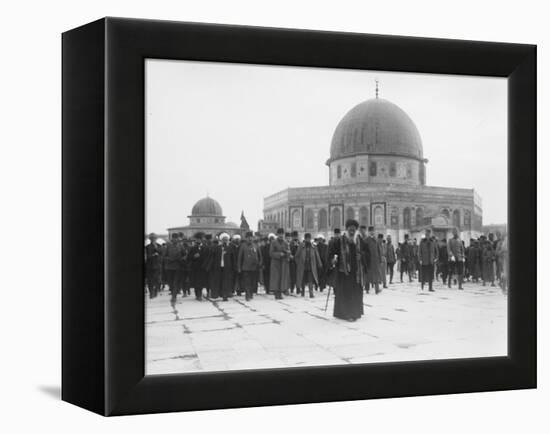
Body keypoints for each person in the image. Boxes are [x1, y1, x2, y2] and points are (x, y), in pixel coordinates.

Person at [329, 219, 366, 321]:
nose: (352, 232)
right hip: (344, 273)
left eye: (354, 230)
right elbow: (332, 253)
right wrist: (333, 259)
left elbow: (366, 252)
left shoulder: (359, 240)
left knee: (355, 294)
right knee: (345, 294)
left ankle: (355, 313)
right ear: (346, 229)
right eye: (350, 230)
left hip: (356, 273)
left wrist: (362, 256)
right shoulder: (340, 241)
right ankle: (345, 314)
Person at [295, 233, 323, 298]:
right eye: (307, 238)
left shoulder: (313, 246)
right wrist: (298, 264)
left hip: (311, 266)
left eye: (309, 238)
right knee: (303, 279)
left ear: (310, 239)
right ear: (305, 239)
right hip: (303, 266)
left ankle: (311, 293)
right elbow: (296, 256)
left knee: (310, 279)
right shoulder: (301, 246)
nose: (308, 240)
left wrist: (319, 263)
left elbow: (317, 256)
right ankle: (303, 292)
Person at [237, 231, 262, 301]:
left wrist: (260, 263)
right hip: (246, 267)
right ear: (246, 238)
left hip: (254, 268)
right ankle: (247, 294)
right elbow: (240, 257)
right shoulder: (243, 246)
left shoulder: (256, 245)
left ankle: (250, 293)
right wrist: (239, 267)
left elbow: (260, 256)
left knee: (253, 282)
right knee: (247, 282)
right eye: (248, 238)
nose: (250, 239)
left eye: (251, 237)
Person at [163, 233, 184, 307]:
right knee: (170, 283)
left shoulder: (180, 246)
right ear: (172, 239)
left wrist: (182, 258)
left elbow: (184, 254)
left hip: (177, 267)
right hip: (169, 267)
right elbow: (164, 256)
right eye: (174, 238)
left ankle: (174, 297)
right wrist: (169, 259)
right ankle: (173, 292)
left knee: (175, 282)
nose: (176, 239)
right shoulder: (168, 246)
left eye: (177, 238)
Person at [269, 228, 291, 299]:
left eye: (282, 234)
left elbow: (288, 251)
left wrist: (287, 253)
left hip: (283, 263)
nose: (281, 235)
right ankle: (276, 293)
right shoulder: (274, 242)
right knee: (276, 279)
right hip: (276, 263)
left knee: (282, 278)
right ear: (277, 234)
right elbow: (271, 253)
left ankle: (280, 293)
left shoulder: (285, 243)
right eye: (280, 234)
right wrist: (279, 254)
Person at [189, 234, 208, 300]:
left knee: (201, 282)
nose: (198, 241)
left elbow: (207, 257)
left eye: (200, 239)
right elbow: (189, 257)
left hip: (202, 267)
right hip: (195, 268)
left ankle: (199, 294)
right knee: (196, 282)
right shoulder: (192, 248)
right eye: (197, 240)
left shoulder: (204, 248)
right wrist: (194, 256)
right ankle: (198, 294)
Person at [364, 226, 381, 294]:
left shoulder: (375, 240)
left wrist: (379, 259)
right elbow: (364, 251)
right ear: (369, 232)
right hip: (369, 261)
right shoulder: (366, 240)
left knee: (376, 275)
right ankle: (367, 289)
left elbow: (378, 250)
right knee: (368, 275)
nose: (372, 232)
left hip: (376, 261)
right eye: (371, 231)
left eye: (373, 231)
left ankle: (377, 289)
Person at [145, 233, 162, 299]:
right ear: (150, 239)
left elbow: (162, 254)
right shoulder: (147, 247)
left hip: (158, 265)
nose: (153, 239)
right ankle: (151, 293)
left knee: (158, 280)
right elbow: (147, 256)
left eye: (154, 238)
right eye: (151, 238)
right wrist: (153, 255)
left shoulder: (159, 246)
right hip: (150, 266)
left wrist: (158, 253)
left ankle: (155, 291)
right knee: (150, 280)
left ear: (156, 238)